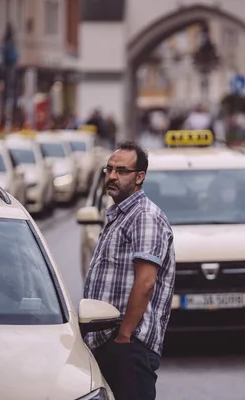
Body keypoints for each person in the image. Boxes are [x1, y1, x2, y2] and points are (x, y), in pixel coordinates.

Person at [83, 142, 175, 400]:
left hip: (129, 346)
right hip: (111, 343)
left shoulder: (144, 216)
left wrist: (124, 335)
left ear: (139, 177)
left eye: (121, 171)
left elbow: (146, 282)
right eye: (109, 169)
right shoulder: (120, 215)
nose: (112, 176)